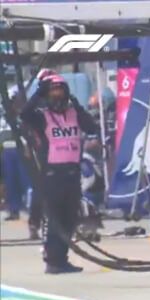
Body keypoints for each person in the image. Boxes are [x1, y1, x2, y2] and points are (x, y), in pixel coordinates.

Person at [19, 74, 99, 273]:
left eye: (61, 90)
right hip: (52, 175)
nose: (58, 95)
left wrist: (77, 105)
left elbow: (92, 127)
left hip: (72, 174)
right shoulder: (42, 116)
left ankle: (61, 259)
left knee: (69, 219)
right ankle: (52, 260)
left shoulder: (74, 113)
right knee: (53, 220)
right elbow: (24, 114)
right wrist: (39, 92)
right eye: (53, 91)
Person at [2, 87, 31, 223]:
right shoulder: (4, 118)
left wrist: (27, 149)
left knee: (26, 180)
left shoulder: (23, 116)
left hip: (20, 150)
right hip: (7, 151)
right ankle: (14, 209)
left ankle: (31, 209)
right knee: (10, 181)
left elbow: (27, 134)